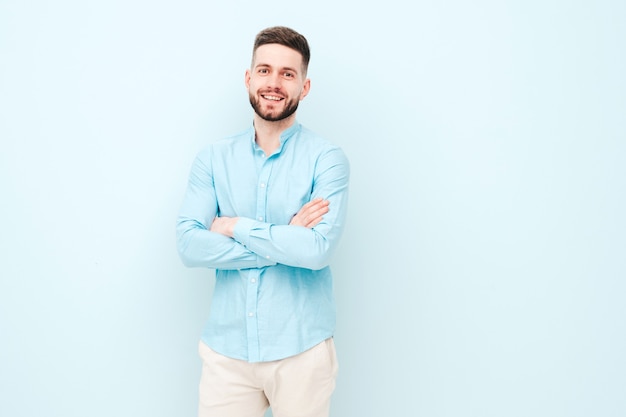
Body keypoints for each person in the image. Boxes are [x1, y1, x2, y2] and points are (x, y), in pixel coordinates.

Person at [176, 26, 350, 417]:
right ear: (248, 78)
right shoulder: (213, 159)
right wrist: (286, 239)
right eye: (265, 70)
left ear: (304, 87)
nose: (274, 83)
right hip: (227, 354)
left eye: (288, 74)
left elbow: (317, 251)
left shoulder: (327, 160)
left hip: (301, 352)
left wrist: (233, 225)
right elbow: (189, 245)